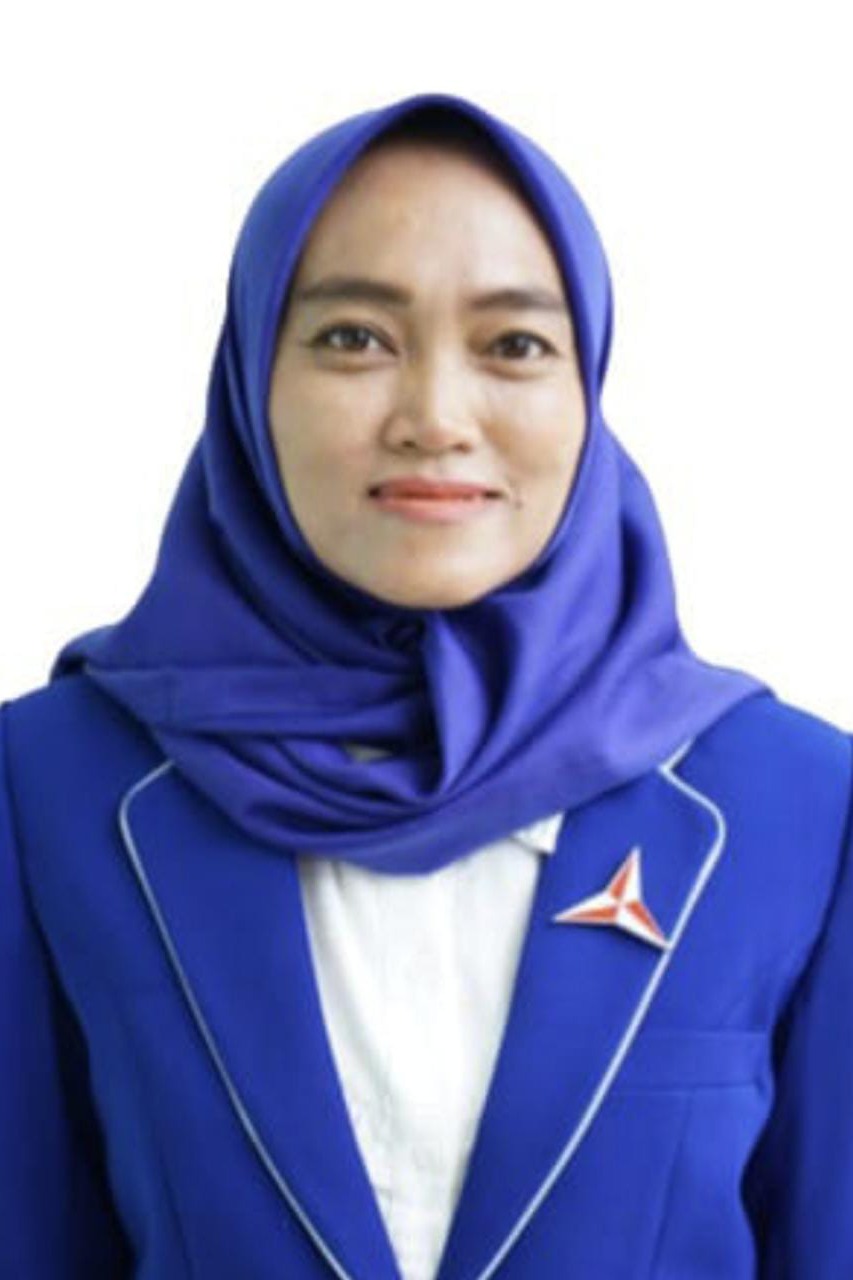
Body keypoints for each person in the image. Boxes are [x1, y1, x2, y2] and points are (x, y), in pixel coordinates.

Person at [1, 90, 851, 1280]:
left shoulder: (794, 801)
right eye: (354, 336)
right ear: (251, 376)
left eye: (514, 344)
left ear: (589, 384)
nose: (435, 418)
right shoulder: (49, 781)